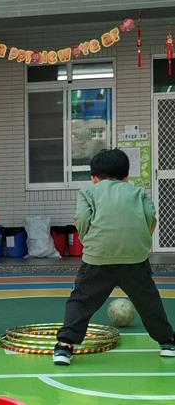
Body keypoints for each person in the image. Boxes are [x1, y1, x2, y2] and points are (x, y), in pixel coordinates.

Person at [53, 148, 175, 365]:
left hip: (98, 257)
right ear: (126, 176)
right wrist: (139, 241)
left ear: (94, 178)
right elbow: (150, 217)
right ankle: (167, 342)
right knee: (148, 300)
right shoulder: (138, 192)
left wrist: (89, 240)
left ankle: (65, 346)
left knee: (81, 300)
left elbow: (82, 218)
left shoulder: (88, 192)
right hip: (134, 258)